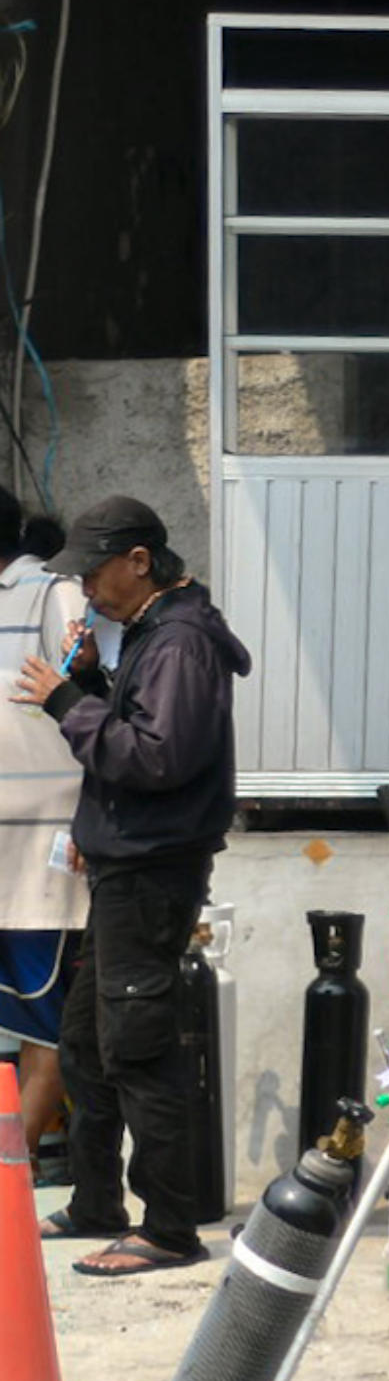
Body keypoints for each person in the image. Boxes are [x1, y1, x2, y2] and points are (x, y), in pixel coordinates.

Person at [13, 497, 250, 1276]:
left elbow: (156, 758)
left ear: (140, 561)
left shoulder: (180, 642)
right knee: (85, 1044)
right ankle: (96, 1201)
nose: (86, 590)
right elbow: (142, 732)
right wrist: (92, 678)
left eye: (94, 573)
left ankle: (169, 1229)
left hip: (153, 872)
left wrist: (65, 700)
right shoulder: (153, 634)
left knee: (139, 1049)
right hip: (125, 864)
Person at [0, 491, 86, 1187]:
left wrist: (95, 818)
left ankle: (10, 1174)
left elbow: (99, 711)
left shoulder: (54, 598)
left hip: (37, 855)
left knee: (42, 1018)